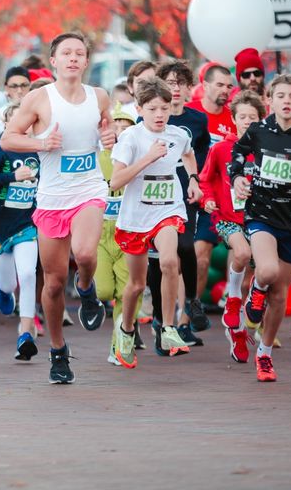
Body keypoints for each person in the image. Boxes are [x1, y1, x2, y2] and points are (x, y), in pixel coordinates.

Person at [0, 32, 116, 384]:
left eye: (79, 53)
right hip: (52, 197)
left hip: (89, 190)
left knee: (84, 253)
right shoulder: (39, 98)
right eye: (66, 53)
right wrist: (41, 142)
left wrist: (110, 136)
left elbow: (106, 129)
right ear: (53, 60)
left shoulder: (99, 96)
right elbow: (8, 138)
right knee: (52, 283)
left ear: (85, 61)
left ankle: (86, 289)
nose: (73, 58)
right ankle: (57, 349)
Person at [228, 74, 291, 382]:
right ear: (269, 101)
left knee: (279, 295)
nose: (286, 101)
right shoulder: (258, 131)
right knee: (268, 272)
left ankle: (265, 355)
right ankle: (255, 292)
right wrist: (238, 179)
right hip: (261, 214)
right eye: (280, 96)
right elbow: (236, 156)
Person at [109, 77, 201, 367]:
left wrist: (194, 179)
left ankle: (168, 328)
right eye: (152, 109)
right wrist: (147, 158)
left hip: (168, 210)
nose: (159, 114)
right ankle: (125, 331)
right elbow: (115, 181)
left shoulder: (177, 135)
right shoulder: (131, 138)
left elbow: (188, 153)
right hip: (136, 217)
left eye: (164, 108)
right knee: (136, 284)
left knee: (170, 262)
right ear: (139, 109)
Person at [199, 90, 264, 363]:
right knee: (241, 254)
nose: (247, 120)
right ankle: (233, 297)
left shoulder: (266, 149)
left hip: (260, 218)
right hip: (227, 218)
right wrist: (209, 199)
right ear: (233, 119)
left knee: (257, 276)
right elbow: (205, 179)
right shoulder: (221, 148)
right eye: (242, 116)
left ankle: (237, 331)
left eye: (253, 116)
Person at [0, 104, 41, 361]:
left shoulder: (39, 152)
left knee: (27, 274)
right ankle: (3, 291)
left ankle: (26, 332)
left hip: (27, 224)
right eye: (15, 123)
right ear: (6, 126)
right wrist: (13, 176)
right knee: (9, 282)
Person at [157, 60, 212, 341]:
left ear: (190, 88)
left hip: (187, 192)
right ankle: (166, 321)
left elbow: (201, 155)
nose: (175, 88)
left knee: (186, 247)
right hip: (156, 195)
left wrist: (196, 181)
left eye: (180, 83)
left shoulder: (198, 120)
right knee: (165, 261)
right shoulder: (151, 119)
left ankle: (189, 305)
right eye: (169, 82)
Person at [96, 105, 133, 361]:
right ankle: (86, 286)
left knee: (127, 292)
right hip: (99, 235)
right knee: (103, 292)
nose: (118, 133)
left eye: (125, 128)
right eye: (114, 128)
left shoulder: (137, 158)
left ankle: (119, 345)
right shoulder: (95, 158)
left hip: (129, 235)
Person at [190, 63, 236, 143]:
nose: (225, 91)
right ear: (205, 85)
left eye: (229, 86)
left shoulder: (234, 120)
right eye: (220, 85)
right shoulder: (187, 111)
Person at [0, 66, 32, 144]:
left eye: (24, 85)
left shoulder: (39, 112)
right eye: (14, 86)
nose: (19, 91)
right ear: (6, 88)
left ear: (30, 85)